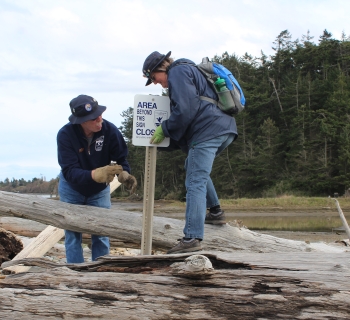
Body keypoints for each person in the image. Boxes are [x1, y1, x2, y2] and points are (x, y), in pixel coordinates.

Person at [142, 51, 237, 254]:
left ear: (161, 68)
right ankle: (216, 212)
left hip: (208, 131)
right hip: (224, 129)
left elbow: (186, 109)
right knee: (194, 169)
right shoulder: (191, 70)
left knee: (195, 181)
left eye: (154, 78)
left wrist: (165, 128)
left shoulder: (177, 71)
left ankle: (191, 238)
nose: (157, 83)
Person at [57, 94, 137, 263]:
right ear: (81, 121)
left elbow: (122, 159)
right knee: (72, 235)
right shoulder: (65, 135)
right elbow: (70, 172)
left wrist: (125, 173)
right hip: (72, 189)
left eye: (99, 113)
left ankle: (101, 271)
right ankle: (75, 272)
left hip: (99, 192)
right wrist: (95, 174)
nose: (99, 118)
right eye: (93, 118)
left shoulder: (110, 131)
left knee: (101, 232)